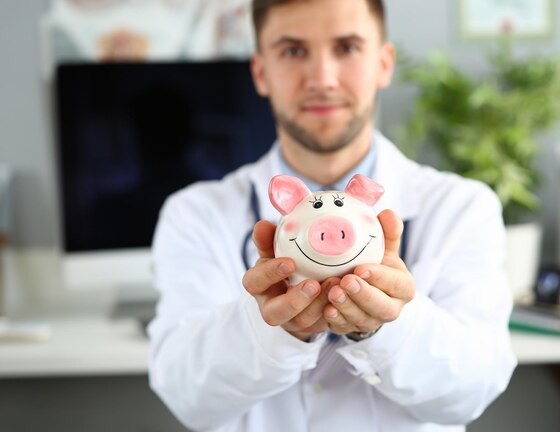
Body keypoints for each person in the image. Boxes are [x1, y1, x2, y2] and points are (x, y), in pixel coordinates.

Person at [148, 0, 517, 431]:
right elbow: (185, 395)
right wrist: (275, 332)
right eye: (292, 51)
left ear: (384, 63)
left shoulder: (461, 207)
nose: (322, 79)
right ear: (260, 72)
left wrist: (388, 326)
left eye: (346, 48)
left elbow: (473, 390)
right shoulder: (195, 214)